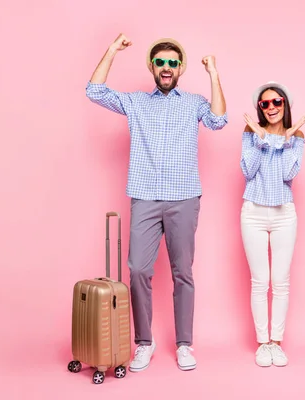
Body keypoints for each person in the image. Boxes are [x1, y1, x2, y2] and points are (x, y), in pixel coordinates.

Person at [85, 33, 228, 372]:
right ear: (152, 66)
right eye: (161, 62)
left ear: (180, 68)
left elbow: (219, 120)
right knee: (137, 269)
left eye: (172, 63)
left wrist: (214, 75)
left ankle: (184, 344)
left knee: (183, 272)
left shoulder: (193, 103)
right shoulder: (136, 102)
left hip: (184, 198)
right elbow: (94, 91)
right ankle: (144, 343)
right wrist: (111, 51)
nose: (166, 67)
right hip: (145, 197)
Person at [240, 81, 305, 367]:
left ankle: (276, 343)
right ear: (259, 108)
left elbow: (287, 174)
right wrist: (261, 139)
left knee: (280, 281)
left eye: (276, 102)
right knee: (260, 282)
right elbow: (248, 170)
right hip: (253, 212)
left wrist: (285, 139)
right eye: (265, 104)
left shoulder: (298, 136)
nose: (271, 108)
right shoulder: (250, 132)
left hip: (283, 214)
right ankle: (262, 343)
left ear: (285, 104)